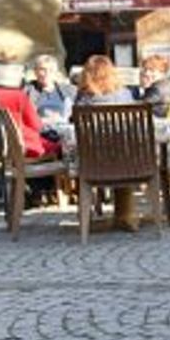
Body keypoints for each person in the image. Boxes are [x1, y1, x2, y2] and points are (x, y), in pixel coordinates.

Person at [75, 55, 137, 231]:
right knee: (123, 156)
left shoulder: (84, 99)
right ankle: (125, 215)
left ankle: (86, 219)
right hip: (129, 163)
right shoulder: (124, 94)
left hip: (93, 164)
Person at [23, 54, 76, 129]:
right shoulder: (27, 90)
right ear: (35, 71)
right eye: (42, 69)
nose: (47, 73)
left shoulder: (69, 90)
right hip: (38, 129)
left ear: (56, 72)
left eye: (51, 70)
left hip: (64, 128)